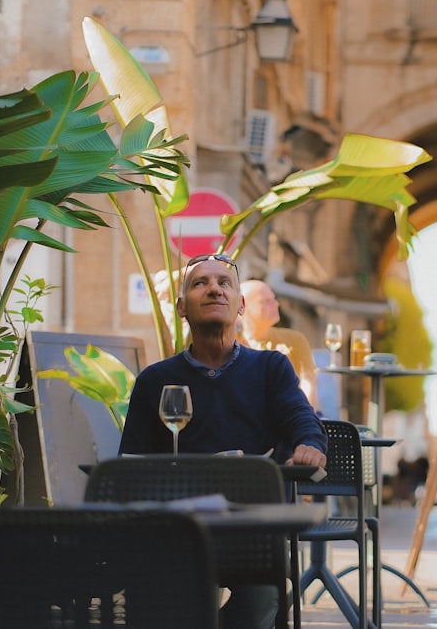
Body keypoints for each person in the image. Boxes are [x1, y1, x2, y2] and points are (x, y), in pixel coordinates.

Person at [119, 252, 327, 629]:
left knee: (263, 597)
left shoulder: (270, 368)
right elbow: (130, 460)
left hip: (253, 524)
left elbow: (302, 418)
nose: (213, 288)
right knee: (160, 598)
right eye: (200, 283)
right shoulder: (154, 379)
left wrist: (309, 444)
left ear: (240, 305)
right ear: (182, 307)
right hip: (178, 527)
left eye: (223, 283)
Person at [239, 279, 319, 410]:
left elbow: (308, 384)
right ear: (243, 307)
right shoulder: (233, 343)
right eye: (265, 301)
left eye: (274, 298)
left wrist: (305, 419)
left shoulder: (295, 339)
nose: (276, 304)